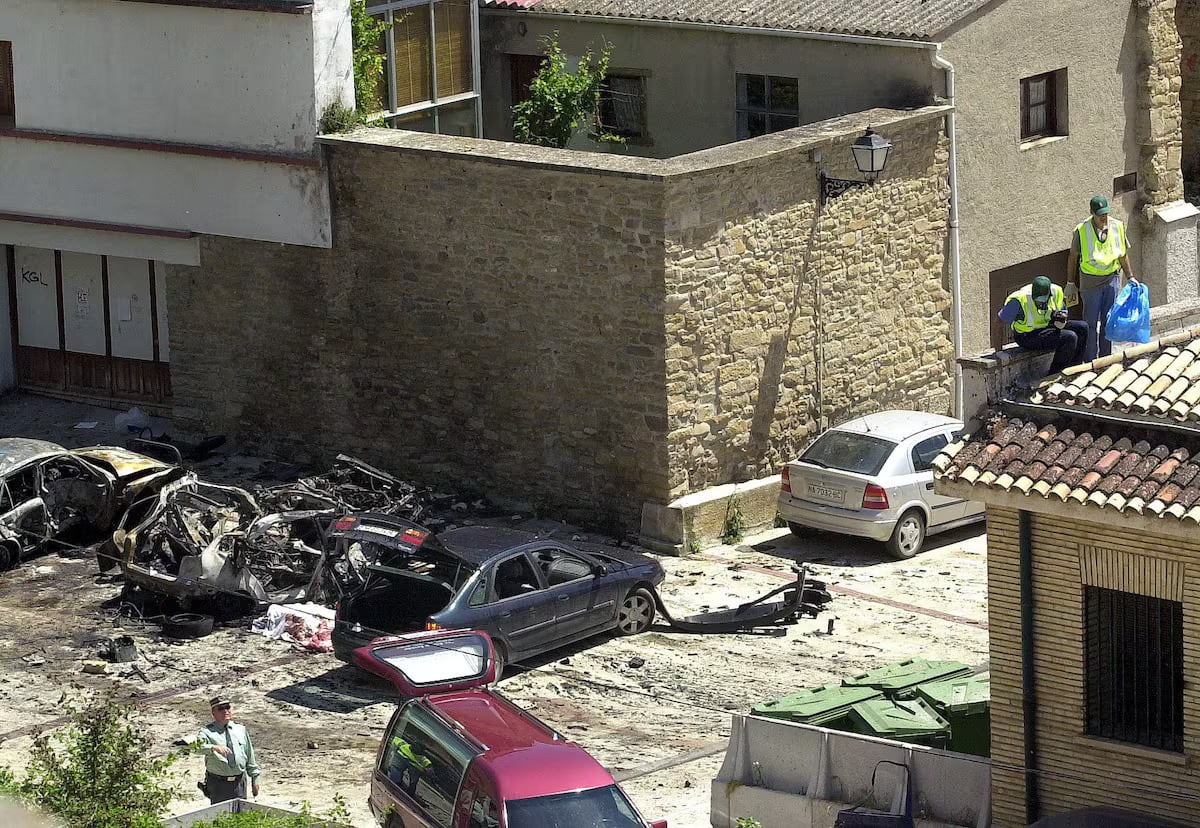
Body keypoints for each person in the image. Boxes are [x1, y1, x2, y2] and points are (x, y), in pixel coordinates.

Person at [1067, 194, 1137, 362]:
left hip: (1111, 279)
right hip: (1090, 283)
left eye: (1105, 213)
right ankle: (1091, 360)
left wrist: (1130, 276)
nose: (1103, 217)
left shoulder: (1117, 226)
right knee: (1090, 324)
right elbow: (1073, 257)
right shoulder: (1081, 230)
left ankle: (1105, 358)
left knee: (1108, 321)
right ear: (1092, 213)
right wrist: (1070, 282)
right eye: (1100, 215)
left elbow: (1122, 254)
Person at [998, 275, 1090, 374]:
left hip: (1047, 325)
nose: (1039, 304)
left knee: (1082, 327)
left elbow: (1063, 312)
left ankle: (1075, 369)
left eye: (1042, 301)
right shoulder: (1019, 300)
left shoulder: (1056, 292)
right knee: (1069, 337)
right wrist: (998, 351)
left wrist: (1060, 319)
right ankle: (1055, 374)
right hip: (1027, 336)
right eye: (1037, 301)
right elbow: (998, 322)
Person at [195, 695, 261, 804]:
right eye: (221, 709)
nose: (225, 711)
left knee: (240, 815)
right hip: (218, 784)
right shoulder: (206, 732)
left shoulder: (240, 730)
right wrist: (213, 747)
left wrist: (255, 779)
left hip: (239, 782)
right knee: (220, 815)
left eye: (228, 707)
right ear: (213, 713)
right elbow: (196, 748)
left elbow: (250, 756)